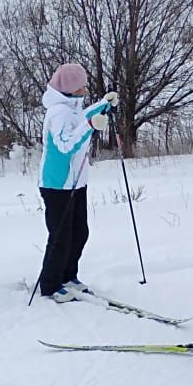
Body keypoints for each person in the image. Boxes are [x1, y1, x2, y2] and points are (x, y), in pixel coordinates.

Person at [37, 63, 117, 302]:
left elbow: (82, 118)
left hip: (76, 183)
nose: (85, 88)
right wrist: (90, 126)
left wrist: (104, 104)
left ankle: (67, 275)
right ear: (70, 88)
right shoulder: (58, 113)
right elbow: (65, 145)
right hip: (57, 184)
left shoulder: (71, 108)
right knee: (60, 237)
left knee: (79, 233)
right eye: (81, 85)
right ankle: (50, 284)